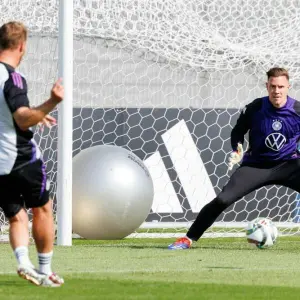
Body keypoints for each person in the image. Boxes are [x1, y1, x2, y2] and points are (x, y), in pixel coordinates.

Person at [168, 67, 300, 250]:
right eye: (273, 86)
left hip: (288, 165)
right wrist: (237, 149)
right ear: (267, 86)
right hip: (256, 166)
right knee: (222, 200)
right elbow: (238, 132)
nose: (276, 91)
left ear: (288, 87)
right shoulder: (255, 108)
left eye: (281, 87)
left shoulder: (298, 110)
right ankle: (188, 239)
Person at [0, 21, 64, 286]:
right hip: (20, 157)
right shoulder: (12, 77)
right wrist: (51, 103)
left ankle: (24, 264)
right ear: (22, 46)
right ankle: (46, 270)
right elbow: (22, 118)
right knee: (43, 209)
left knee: (16, 215)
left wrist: (36, 116)